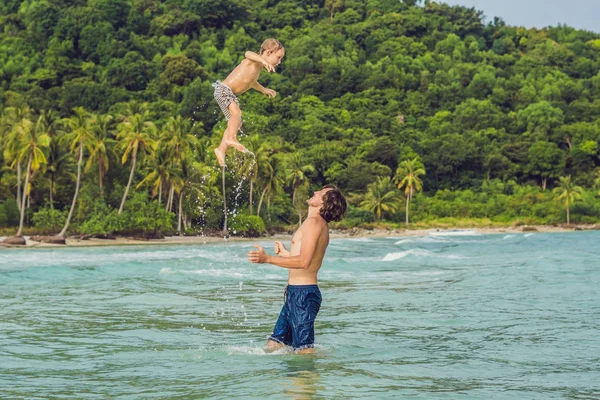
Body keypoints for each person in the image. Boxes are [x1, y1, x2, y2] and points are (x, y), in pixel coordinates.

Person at [247, 185, 347, 354]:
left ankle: (310, 379)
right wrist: (286, 254)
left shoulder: (314, 223)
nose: (315, 192)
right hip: (296, 294)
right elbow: (307, 259)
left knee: (304, 351)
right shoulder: (316, 224)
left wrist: (268, 259)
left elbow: (304, 262)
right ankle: (285, 380)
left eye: (320, 193)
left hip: (303, 295)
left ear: (324, 203)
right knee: (274, 344)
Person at [212, 38, 285, 167]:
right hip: (223, 89)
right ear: (268, 52)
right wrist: (262, 60)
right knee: (236, 112)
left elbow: (251, 83)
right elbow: (247, 53)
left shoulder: (257, 68)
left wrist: (264, 90)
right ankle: (231, 139)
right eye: (278, 57)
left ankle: (221, 149)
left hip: (228, 93)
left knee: (236, 122)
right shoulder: (252, 61)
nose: (279, 62)